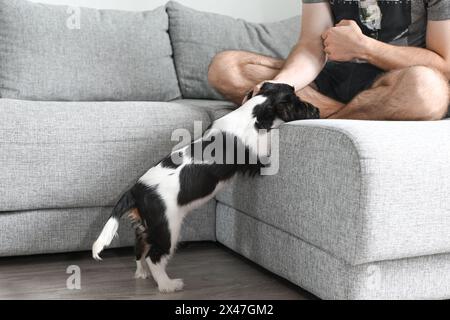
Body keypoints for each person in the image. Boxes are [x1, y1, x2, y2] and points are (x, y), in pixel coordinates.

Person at [208, 0, 450, 120]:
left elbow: (444, 64)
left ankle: (319, 119)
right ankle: (347, 116)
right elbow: (311, 44)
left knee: (428, 90)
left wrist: (365, 48)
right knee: (227, 68)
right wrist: (281, 85)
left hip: (396, 83)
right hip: (333, 82)